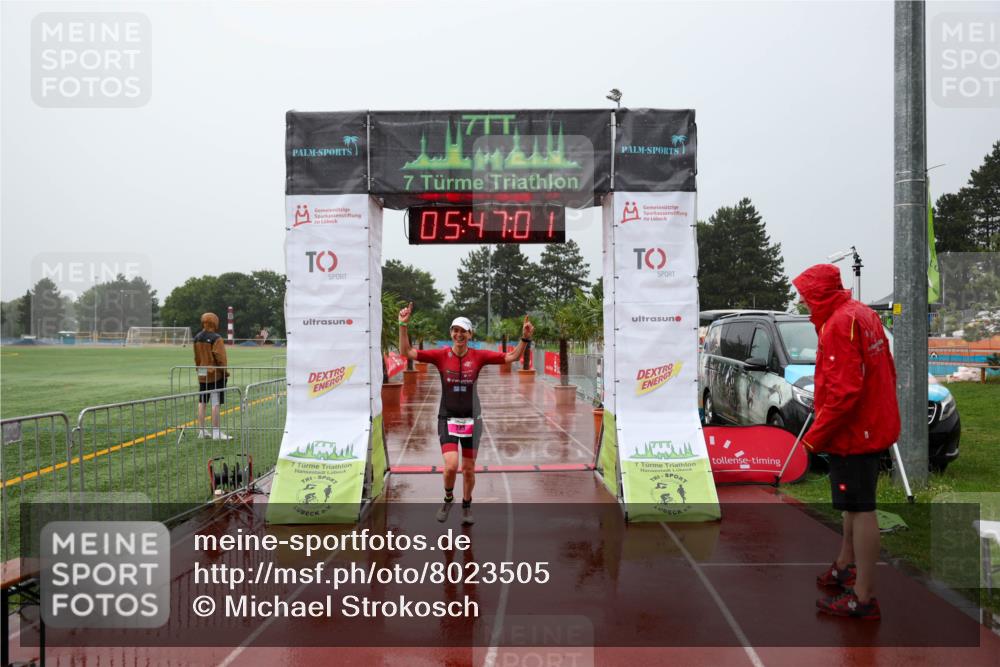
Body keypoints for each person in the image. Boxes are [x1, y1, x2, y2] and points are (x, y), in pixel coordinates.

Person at [793, 264, 900, 620]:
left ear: (820, 294)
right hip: (870, 424)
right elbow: (885, 368)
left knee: (861, 507)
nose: (805, 304)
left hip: (855, 431)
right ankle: (845, 566)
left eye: (807, 297)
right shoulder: (863, 313)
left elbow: (843, 393)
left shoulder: (840, 324)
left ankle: (864, 596)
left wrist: (813, 439)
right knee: (853, 503)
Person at [398, 304, 533, 525]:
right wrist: (403, 324)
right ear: (451, 333)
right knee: (451, 466)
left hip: (472, 419)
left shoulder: (478, 356)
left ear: (470, 335)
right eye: (455, 330)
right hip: (447, 418)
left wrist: (525, 339)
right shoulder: (441, 355)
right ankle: (448, 498)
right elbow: (406, 352)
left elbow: (512, 358)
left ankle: (467, 504)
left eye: (463, 331)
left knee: (468, 470)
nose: (459, 335)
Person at [193, 312, 232, 441]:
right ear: (215, 322)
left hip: (202, 371)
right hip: (215, 373)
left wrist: (199, 369)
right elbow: (220, 357)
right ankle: (216, 432)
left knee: (202, 402)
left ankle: (202, 430)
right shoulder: (216, 338)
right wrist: (224, 371)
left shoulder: (197, 337)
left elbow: (197, 358)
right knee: (215, 402)